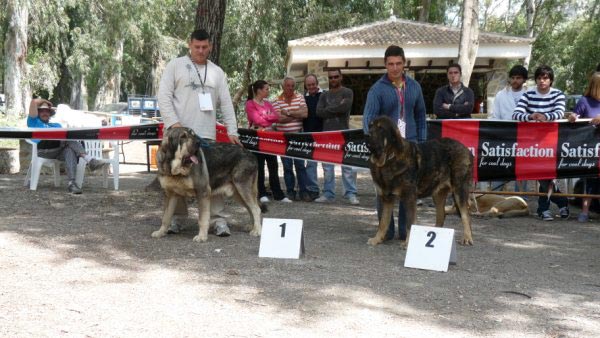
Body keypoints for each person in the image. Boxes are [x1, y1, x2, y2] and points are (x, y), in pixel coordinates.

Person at [158, 29, 240, 237]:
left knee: (212, 178)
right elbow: (164, 97)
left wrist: (232, 130)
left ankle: (218, 220)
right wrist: (174, 125)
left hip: (206, 135)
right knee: (174, 177)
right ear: (190, 45)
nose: (201, 51)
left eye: (205, 47)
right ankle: (177, 219)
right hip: (178, 137)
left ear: (210, 46)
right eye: (197, 47)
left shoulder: (217, 72)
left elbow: (227, 104)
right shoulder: (175, 65)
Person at [362, 45, 427, 241]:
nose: (395, 68)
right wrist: (375, 147)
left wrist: (422, 143)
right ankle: (384, 231)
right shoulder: (377, 89)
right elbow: (369, 120)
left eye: (398, 63)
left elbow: (421, 116)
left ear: (404, 63)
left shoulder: (415, 87)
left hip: (411, 146)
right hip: (386, 152)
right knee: (385, 189)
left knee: (408, 191)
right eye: (390, 64)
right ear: (385, 65)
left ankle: (407, 232)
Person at [512, 65, 569, 221]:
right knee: (542, 174)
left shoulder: (558, 94)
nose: (542, 81)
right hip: (532, 143)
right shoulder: (528, 94)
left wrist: (545, 116)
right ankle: (560, 203)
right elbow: (516, 114)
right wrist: (531, 116)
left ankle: (544, 209)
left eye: (545, 78)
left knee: (547, 174)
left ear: (550, 80)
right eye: (539, 78)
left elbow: (559, 112)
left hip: (552, 140)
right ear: (536, 80)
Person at [26, 98, 106, 194]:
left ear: (50, 113)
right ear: (37, 113)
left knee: (69, 149)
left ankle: (72, 183)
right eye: (41, 111)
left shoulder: (56, 125)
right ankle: (90, 160)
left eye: (47, 111)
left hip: (58, 150)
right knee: (68, 139)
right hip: (43, 150)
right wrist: (47, 102)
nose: (44, 113)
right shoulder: (34, 122)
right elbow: (34, 102)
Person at [314, 69, 359, 205]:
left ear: (341, 77)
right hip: (327, 134)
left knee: (346, 165)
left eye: (336, 77)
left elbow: (344, 108)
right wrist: (336, 108)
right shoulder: (324, 95)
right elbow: (319, 112)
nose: (333, 79)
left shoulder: (347, 92)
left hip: (343, 133)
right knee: (327, 167)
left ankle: (350, 193)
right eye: (331, 77)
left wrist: (330, 109)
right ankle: (328, 193)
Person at [245, 80, 291, 203]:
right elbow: (257, 120)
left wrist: (264, 117)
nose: (268, 91)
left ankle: (278, 194)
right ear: (259, 90)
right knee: (259, 166)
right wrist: (267, 118)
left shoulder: (268, 103)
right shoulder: (250, 104)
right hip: (257, 138)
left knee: (273, 165)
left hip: (270, 138)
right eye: (266, 89)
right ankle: (261, 193)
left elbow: (275, 117)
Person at [567, 72, 600, 222]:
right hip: (590, 149)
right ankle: (585, 211)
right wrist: (573, 118)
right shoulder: (584, 101)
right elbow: (573, 117)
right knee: (589, 179)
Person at [490, 65, 529, 192]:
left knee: (522, 170)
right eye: (513, 78)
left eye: (518, 78)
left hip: (525, 138)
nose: (515, 81)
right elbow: (495, 116)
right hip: (504, 137)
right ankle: (495, 197)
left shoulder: (530, 94)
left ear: (524, 80)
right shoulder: (501, 95)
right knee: (500, 166)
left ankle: (521, 199)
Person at [272, 77, 309, 201]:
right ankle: (290, 191)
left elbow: (305, 114)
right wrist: (296, 114)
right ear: (283, 87)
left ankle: (304, 191)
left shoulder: (300, 97)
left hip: (298, 136)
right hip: (284, 138)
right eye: (288, 85)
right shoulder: (276, 101)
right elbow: (279, 119)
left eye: (292, 86)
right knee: (287, 166)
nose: (290, 88)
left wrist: (287, 113)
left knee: (300, 165)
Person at [302, 74, 324, 201]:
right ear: (306, 86)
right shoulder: (302, 99)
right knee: (310, 164)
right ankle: (313, 190)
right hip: (309, 135)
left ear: (317, 83)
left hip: (324, 135)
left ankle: (328, 192)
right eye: (309, 85)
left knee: (328, 165)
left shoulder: (323, 96)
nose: (311, 87)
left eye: (313, 84)